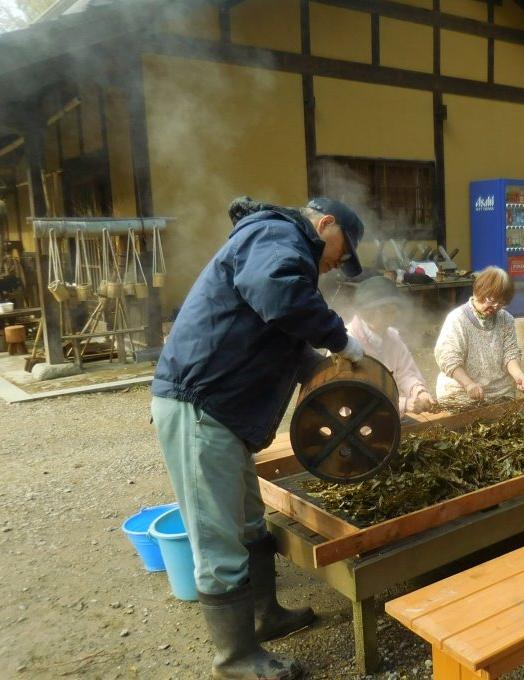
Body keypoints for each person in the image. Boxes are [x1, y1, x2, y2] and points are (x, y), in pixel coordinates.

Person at [151, 196, 368, 680]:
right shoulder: (275, 235)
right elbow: (279, 296)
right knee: (218, 538)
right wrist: (341, 339)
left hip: (227, 417)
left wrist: (330, 371)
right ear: (326, 224)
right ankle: (235, 659)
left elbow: (286, 340)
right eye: (342, 251)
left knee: (250, 523)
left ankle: (264, 616)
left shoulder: (282, 251)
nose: (338, 263)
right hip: (199, 406)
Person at [434, 266, 524, 401]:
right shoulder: (458, 319)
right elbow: (448, 358)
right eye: (491, 300)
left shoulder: (506, 318)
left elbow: (511, 352)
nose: (496, 307)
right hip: (462, 393)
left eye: (501, 303)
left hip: (500, 392)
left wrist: (518, 375)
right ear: (477, 292)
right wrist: (468, 384)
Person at [347, 276, 436, 414]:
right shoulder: (346, 343)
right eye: (388, 311)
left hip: (389, 417)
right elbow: (354, 394)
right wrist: (402, 404)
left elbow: (406, 373)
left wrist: (419, 392)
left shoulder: (392, 338)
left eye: (394, 311)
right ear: (369, 312)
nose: (394, 316)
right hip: (353, 423)